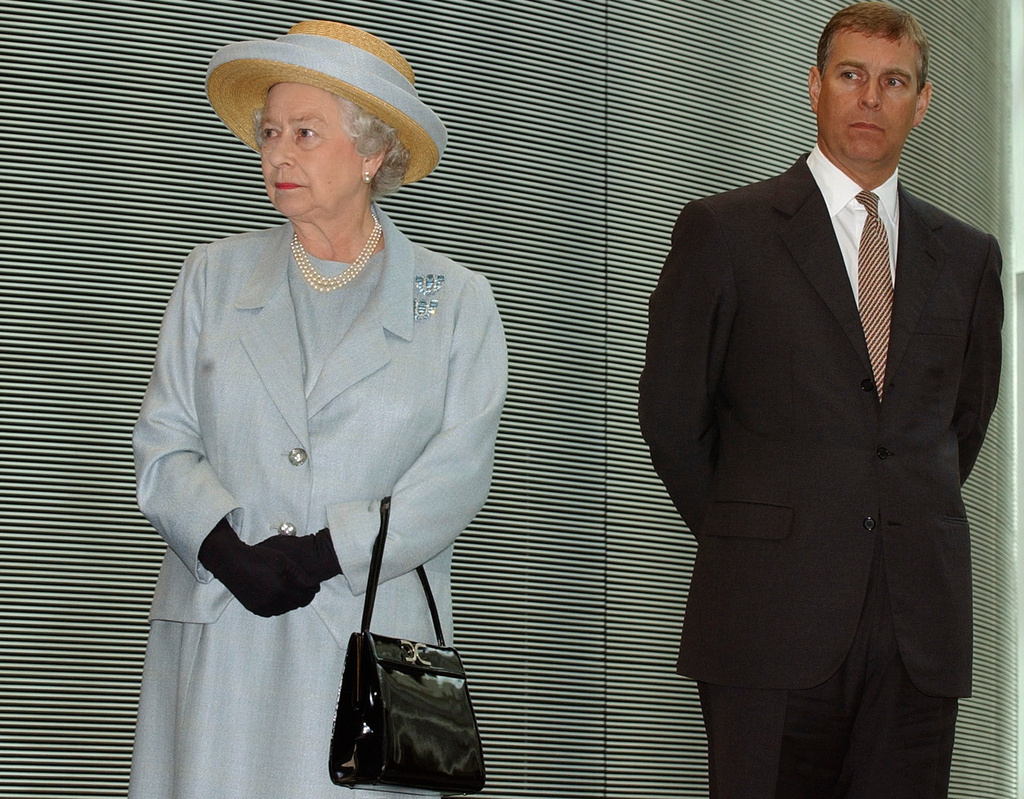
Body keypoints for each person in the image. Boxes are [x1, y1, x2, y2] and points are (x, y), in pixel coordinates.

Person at [129, 21, 507, 798]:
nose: (277, 153)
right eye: (270, 132)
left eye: (306, 132)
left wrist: (326, 551)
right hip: (221, 630)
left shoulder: (456, 299)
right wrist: (227, 552)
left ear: (371, 154)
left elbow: (457, 474)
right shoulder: (210, 276)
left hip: (369, 653)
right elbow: (163, 445)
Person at [638, 3, 1002, 797]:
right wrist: (759, 529)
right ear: (814, 87)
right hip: (768, 623)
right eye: (851, 75)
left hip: (917, 633)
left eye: (894, 80)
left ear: (923, 101)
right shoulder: (724, 232)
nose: (871, 97)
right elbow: (671, 417)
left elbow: (961, 427)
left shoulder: (970, 259)